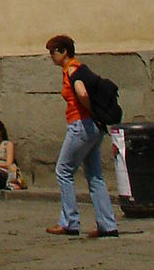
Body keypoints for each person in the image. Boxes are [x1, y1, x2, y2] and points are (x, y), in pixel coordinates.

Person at [45, 34, 119, 239]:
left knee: (63, 170)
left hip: (81, 125)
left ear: (65, 52)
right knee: (95, 176)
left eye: (54, 51)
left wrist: (89, 111)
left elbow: (82, 93)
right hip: (94, 127)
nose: (51, 56)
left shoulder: (72, 70)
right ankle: (107, 224)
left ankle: (69, 221)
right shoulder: (80, 68)